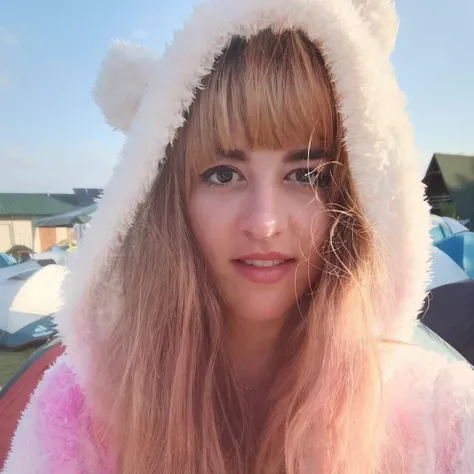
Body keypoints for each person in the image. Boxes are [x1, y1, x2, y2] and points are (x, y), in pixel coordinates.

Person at [3, 1, 474, 473]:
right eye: (224, 175)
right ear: (169, 200)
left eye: (307, 174)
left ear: (356, 197)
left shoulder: (445, 420)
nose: (264, 222)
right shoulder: (80, 414)